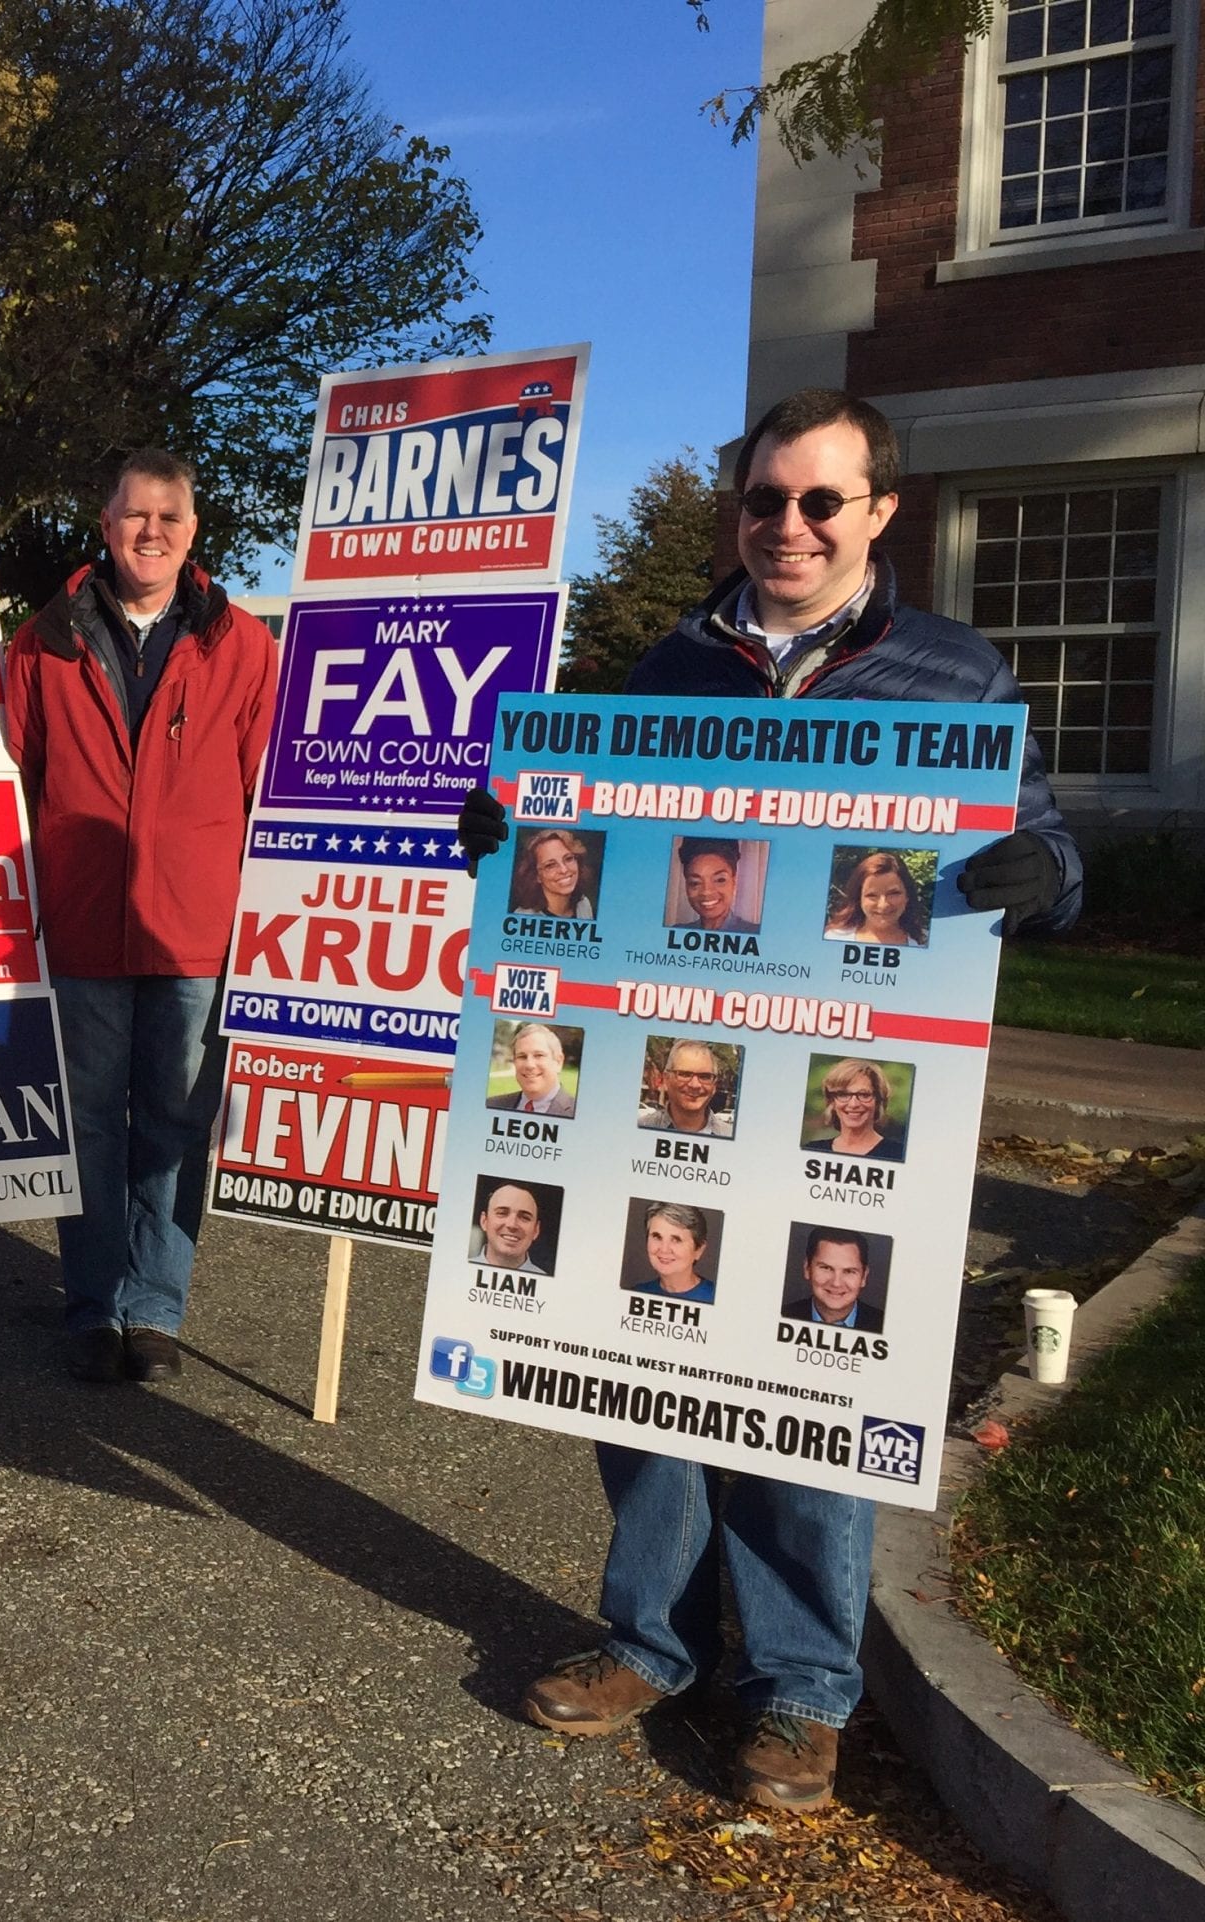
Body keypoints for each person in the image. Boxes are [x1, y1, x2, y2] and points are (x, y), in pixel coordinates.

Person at [461, 386, 1082, 1810]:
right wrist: (510, 834)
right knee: (650, 1341)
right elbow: (596, 836)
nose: (788, 525)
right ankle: (651, 1636)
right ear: (734, 514)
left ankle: (803, 1685)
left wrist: (1045, 877)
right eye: (763, 500)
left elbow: (1042, 840)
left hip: (841, 1090)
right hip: (670, 1075)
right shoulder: (670, 663)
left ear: (878, 512)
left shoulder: (955, 675)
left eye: (820, 500)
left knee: (814, 1363)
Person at [0, 449, 277, 1386]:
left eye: (169, 516)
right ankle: (91, 1304)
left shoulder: (243, 643)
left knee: (172, 1121)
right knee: (87, 1126)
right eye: (133, 515)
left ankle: (154, 1306)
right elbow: (10, 778)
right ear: (105, 523)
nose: (149, 531)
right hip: (80, 923)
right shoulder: (42, 640)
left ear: (192, 530)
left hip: (194, 928)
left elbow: (268, 791)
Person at [802, 1059, 904, 1159]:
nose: (853, 1104)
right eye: (843, 1094)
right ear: (832, 1101)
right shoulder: (812, 1150)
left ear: (878, 1101)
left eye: (864, 1095)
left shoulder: (898, 1153)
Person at [781, 1231, 884, 1330]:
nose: (836, 1283)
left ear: (864, 1277)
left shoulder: (884, 1325)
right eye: (826, 1268)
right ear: (807, 1268)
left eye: (848, 1271)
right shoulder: (781, 1316)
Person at [825, 850, 928, 945]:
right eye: (872, 895)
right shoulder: (833, 940)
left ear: (907, 895)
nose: (883, 905)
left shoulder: (927, 943)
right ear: (859, 898)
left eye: (893, 894)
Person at [635, 1040, 736, 1138]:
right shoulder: (639, 1129)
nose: (694, 1085)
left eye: (705, 1076)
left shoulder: (731, 1137)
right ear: (666, 1079)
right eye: (685, 1074)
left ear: (714, 1085)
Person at [623, 1202, 717, 1304]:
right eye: (657, 1237)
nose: (664, 1249)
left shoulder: (716, 1298)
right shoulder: (636, 1294)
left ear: (698, 1250)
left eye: (676, 1240)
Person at [674, 837, 759, 934]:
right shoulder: (676, 933)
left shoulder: (755, 934)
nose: (706, 891)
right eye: (695, 883)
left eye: (720, 880)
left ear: (734, 881)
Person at [490, 1023, 577, 1118]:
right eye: (522, 1056)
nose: (529, 1065)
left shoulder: (579, 1114)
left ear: (558, 1062)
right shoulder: (491, 1105)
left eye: (539, 1055)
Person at [511, 830, 596, 919]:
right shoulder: (523, 916)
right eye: (550, 865)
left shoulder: (583, 905)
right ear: (537, 876)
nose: (564, 870)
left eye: (568, 858)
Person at [470, 1182, 549, 1274]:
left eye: (524, 1217)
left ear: (536, 1230)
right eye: (502, 1213)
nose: (512, 1225)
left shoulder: (550, 1286)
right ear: (484, 1221)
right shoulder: (458, 1270)